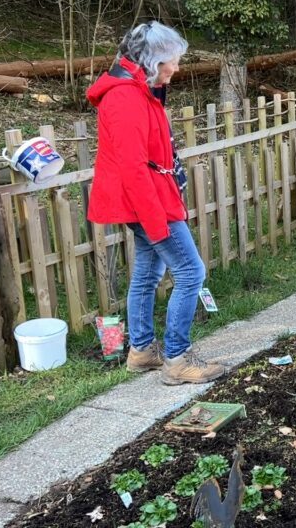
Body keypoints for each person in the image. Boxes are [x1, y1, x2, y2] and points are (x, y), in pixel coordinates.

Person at [86, 21, 225, 385]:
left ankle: (142, 351)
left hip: (150, 197)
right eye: (172, 61)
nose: (177, 68)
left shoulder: (139, 90)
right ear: (150, 61)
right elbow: (133, 168)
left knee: (147, 275)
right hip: (146, 202)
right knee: (191, 271)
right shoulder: (124, 98)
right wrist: (156, 220)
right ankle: (177, 359)